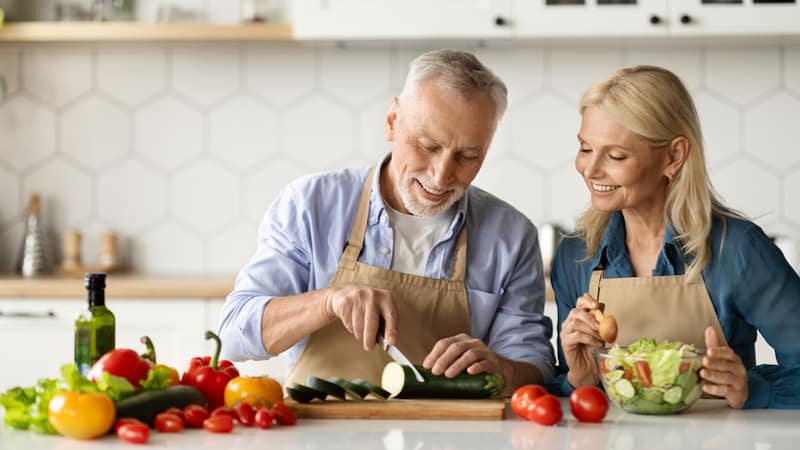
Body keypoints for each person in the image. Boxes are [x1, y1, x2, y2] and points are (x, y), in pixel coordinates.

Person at [218, 49, 555, 392]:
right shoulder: (311, 205)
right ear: (392, 121)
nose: (441, 176)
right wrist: (328, 301)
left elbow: (535, 362)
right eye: (427, 145)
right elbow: (234, 334)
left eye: (468, 156)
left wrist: (504, 369)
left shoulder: (511, 236)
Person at [548, 65, 800, 409]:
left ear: (674, 156)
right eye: (585, 148)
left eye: (616, 155)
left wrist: (750, 387)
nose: (590, 170)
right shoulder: (576, 255)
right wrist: (580, 376)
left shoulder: (738, 250)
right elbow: (572, 392)